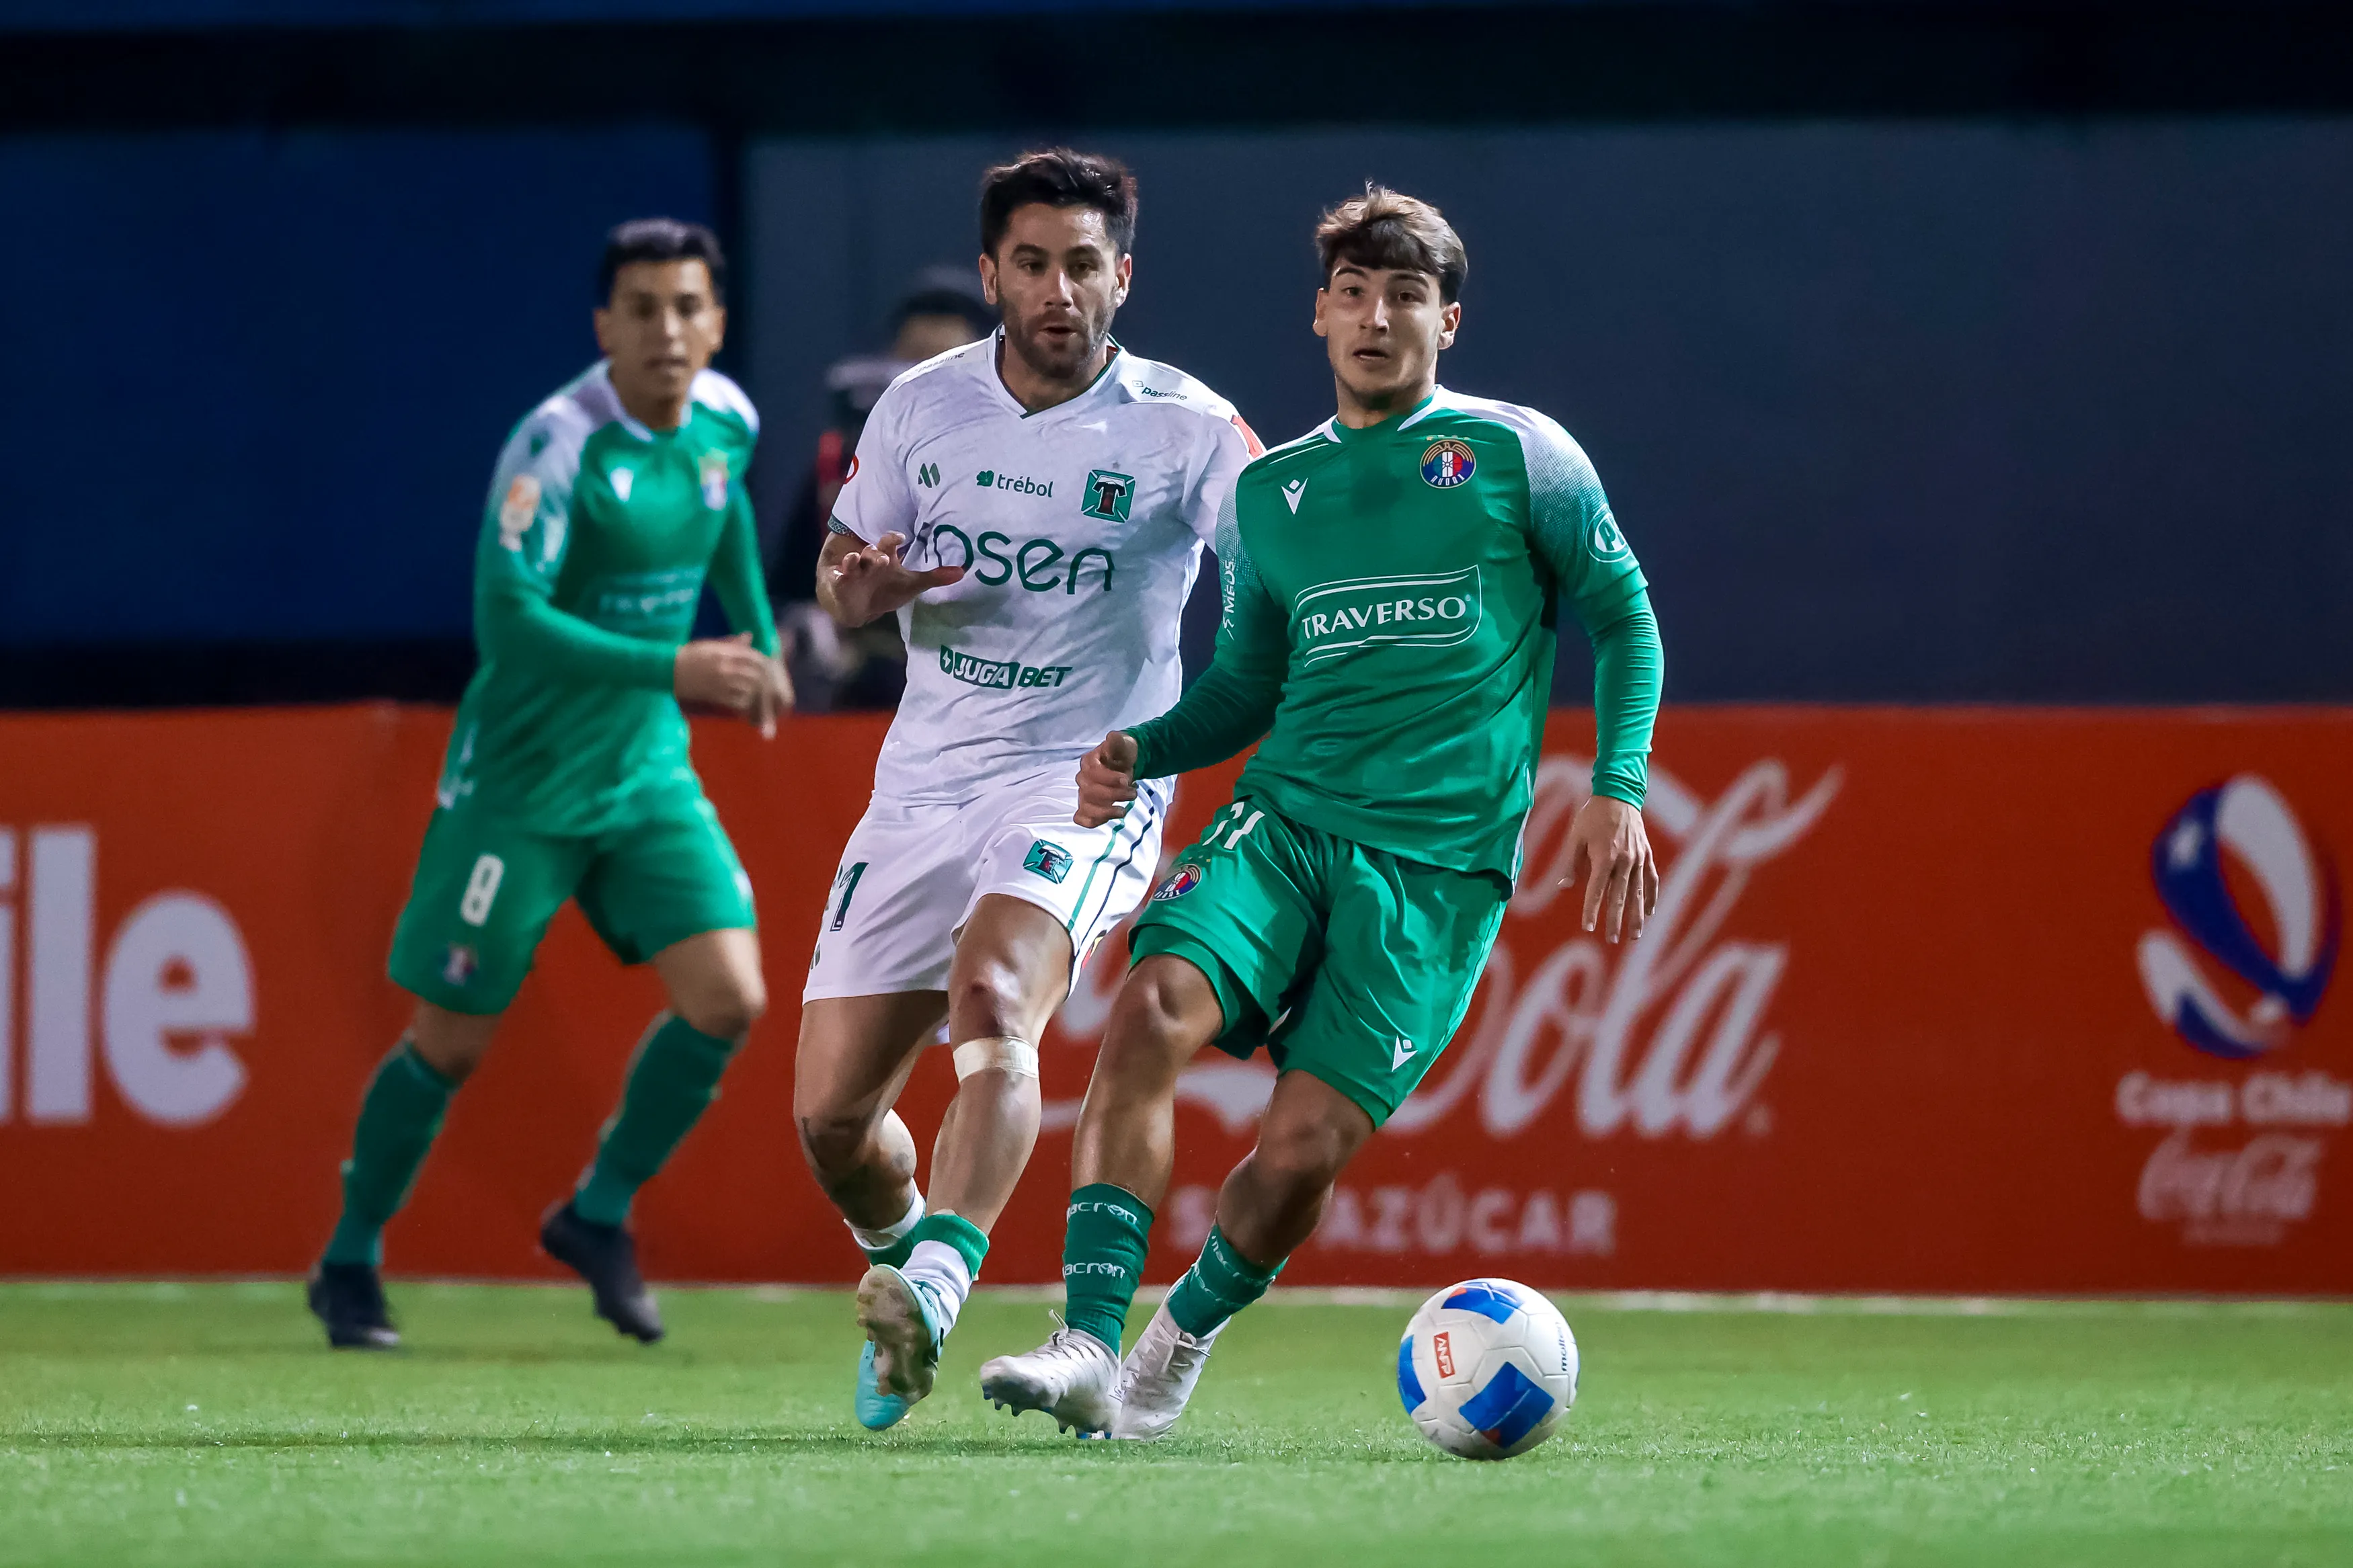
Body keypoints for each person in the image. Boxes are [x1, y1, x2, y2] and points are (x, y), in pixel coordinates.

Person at [979, 186, 1665, 1438]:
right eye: (1352, 293)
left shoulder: (1519, 454)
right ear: (1319, 314)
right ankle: (1085, 1334)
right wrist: (1149, 743)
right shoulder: (1271, 491)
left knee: (1299, 1152)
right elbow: (1250, 679)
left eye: (1405, 296)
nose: (1375, 317)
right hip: (1283, 821)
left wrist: (1618, 788)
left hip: (1439, 871)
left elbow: (1624, 613)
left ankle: (1177, 1338)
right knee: (1149, 1007)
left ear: (1446, 321)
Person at [797, 148, 1261, 1430]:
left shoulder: (1189, 427)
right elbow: (842, 572)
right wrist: (866, 589)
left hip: (1081, 783)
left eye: (1087, 264)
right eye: (1035, 263)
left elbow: (1282, 577)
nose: (1062, 290)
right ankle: (904, 1258)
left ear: (1126, 272)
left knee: (995, 997)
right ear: (997, 271)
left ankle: (937, 1285)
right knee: (834, 1120)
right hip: (920, 787)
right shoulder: (921, 406)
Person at [306, 218, 793, 1350]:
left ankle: (595, 1212)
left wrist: (760, 636)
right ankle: (350, 1256)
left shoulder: (728, 419)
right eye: (641, 307)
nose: (666, 330)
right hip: (519, 784)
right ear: (603, 325)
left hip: (643, 775)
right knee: (452, 1040)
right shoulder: (557, 444)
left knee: (730, 997)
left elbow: (720, 523)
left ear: (716, 323)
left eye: (686, 307)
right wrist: (680, 664)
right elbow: (507, 622)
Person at [769, 268, 998, 711]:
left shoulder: (1017, 473)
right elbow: (791, 587)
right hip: (855, 686)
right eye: (911, 362)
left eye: (944, 363)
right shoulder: (842, 465)